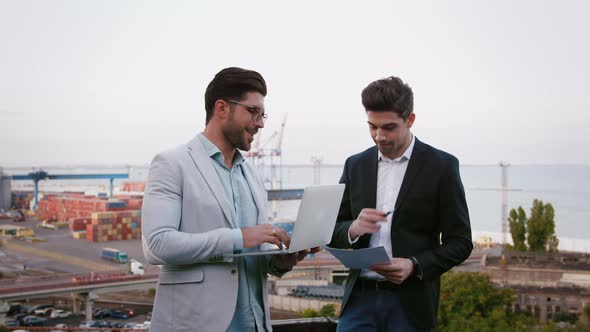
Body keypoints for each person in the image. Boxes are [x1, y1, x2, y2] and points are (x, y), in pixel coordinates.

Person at [142, 67, 314, 332]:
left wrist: (278, 262)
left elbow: (253, 250)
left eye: (262, 114)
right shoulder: (172, 163)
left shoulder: (252, 175)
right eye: (253, 112)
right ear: (221, 108)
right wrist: (239, 237)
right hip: (196, 324)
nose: (261, 123)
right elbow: (157, 245)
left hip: (255, 323)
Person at [329, 76, 473, 331]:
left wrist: (415, 265)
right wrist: (353, 229)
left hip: (411, 304)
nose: (379, 136)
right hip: (358, 301)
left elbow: (460, 243)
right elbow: (331, 229)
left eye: (389, 127)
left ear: (410, 120)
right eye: (372, 126)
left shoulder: (442, 166)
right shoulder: (355, 165)